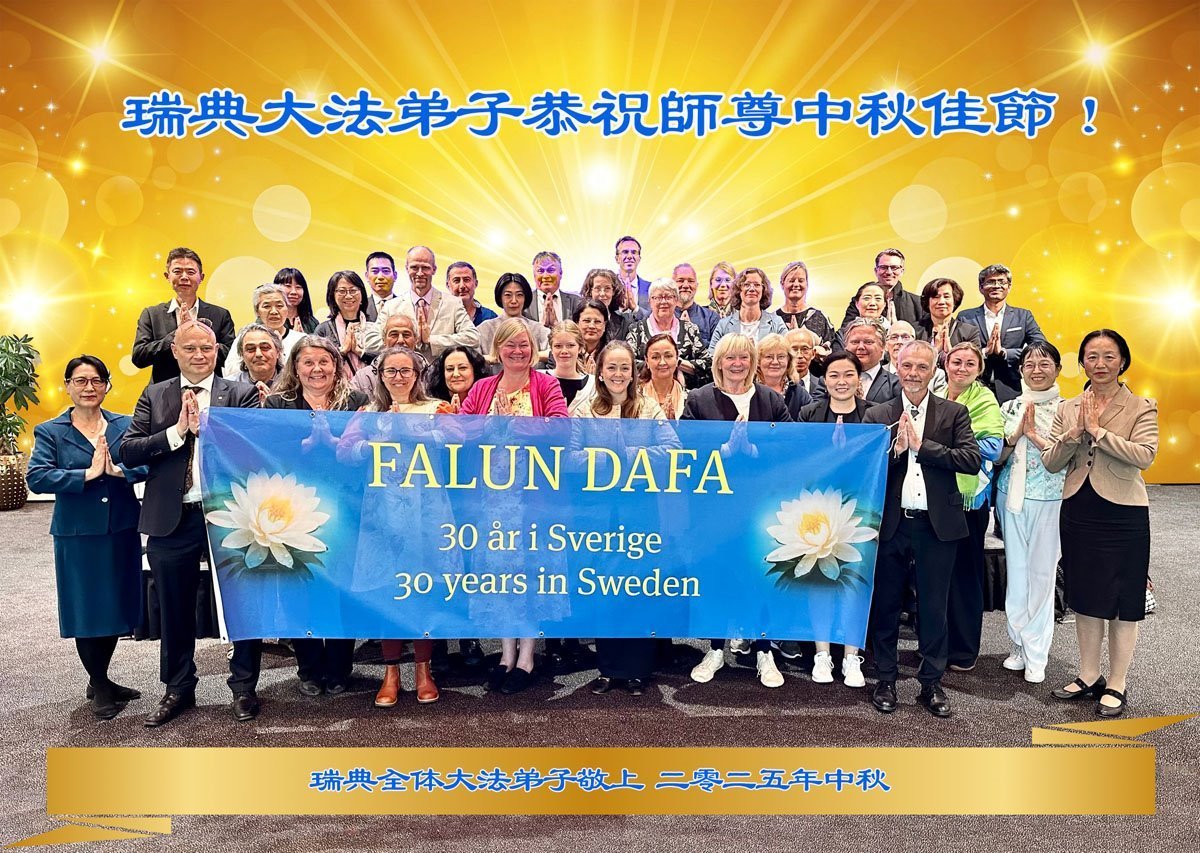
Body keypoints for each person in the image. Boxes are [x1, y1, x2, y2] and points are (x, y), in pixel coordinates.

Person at [120, 320, 264, 726]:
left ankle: (244, 687)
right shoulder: (155, 394)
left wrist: (210, 433)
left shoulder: (241, 394)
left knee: (240, 604)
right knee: (174, 607)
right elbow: (129, 450)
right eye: (190, 348)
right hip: (172, 516)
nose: (199, 355)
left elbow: (254, 451)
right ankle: (178, 688)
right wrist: (178, 432)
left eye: (207, 348)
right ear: (174, 352)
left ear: (217, 350)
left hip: (230, 516)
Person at [863, 340, 981, 718]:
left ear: (934, 371)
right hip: (890, 525)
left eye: (922, 367)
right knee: (885, 604)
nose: (913, 373)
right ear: (896, 367)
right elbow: (864, 468)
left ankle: (931, 682)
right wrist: (896, 452)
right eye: (907, 366)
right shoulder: (876, 413)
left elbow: (971, 460)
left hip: (937, 526)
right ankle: (885, 678)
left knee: (933, 607)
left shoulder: (954, 412)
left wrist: (922, 445)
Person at [1043, 330, 1157, 717]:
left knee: (1124, 602)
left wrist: (1098, 432)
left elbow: (1144, 455)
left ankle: (1117, 682)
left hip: (1124, 513)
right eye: (1092, 356)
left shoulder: (1141, 406)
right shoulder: (1069, 406)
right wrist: (1075, 433)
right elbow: (1051, 462)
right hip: (1079, 508)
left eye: (1109, 356)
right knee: (1086, 596)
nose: (1100, 364)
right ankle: (1089, 674)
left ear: (1123, 361)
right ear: (1082, 363)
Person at [28, 356, 147, 720]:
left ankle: (101, 678)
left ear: (107, 385)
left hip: (121, 528)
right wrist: (86, 475)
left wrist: (119, 471)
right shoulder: (51, 431)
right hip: (78, 534)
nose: (89, 388)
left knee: (116, 605)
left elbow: (147, 463)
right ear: (67, 386)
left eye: (96, 380)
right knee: (86, 609)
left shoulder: (125, 424)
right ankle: (99, 683)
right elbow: (38, 477)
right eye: (80, 381)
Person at [459, 319, 570, 693]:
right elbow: (462, 430)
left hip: (533, 499)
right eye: (510, 344)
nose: (517, 351)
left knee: (531, 576)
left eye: (524, 344)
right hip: (492, 501)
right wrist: (487, 425)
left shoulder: (546, 385)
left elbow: (561, 429)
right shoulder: (482, 388)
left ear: (533, 349)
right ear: (498, 349)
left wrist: (517, 424)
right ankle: (506, 654)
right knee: (501, 578)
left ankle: (527, 657)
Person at [682, 333, 791, 689]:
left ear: (752, 361)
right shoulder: (699, 400)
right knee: (718, 574)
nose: (737, 363)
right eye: (730, 357)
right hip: (714, 509)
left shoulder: (771, 400)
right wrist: (728, 450)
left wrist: (753, 451)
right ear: (718, 362)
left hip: (761, 507)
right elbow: (686, 451)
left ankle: (764, 651)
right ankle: (715, 648)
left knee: (760, 575)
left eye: (744, 357)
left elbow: (791, 448)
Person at [264, 337, 369, 696]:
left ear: (337, 366)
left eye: (324, 361)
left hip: (345, 509)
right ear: (295, 367)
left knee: (342, 589)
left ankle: (339, 668)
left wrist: (336, 446)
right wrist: (305, 445)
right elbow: (265, 453)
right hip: (293, 511)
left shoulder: (356, 402)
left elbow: (366, 454)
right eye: (308, 362)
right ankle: (309, 668)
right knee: (300, 589)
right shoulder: (278, 404)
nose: (317, 369)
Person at [353, 346, 452, 707]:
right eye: (390, 371)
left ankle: (424, 670)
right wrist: (373, 445)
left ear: (417, 374)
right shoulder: (368, 413)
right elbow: (345, 451)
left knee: (423, 589)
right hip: (382, 514)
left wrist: (409, 432)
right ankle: (391, 672)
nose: (398, 377)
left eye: (405, 370)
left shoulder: (437, 409)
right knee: (388, 591)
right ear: (380, 376)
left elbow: (458, 442)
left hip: (428, 511)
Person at [572, 341, 666, 696]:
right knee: (604, 587)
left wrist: (629, 454)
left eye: (624, 367)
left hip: (640, 510)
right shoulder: (584, 409)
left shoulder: (648, 407)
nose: (618, 374)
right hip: (598, 512)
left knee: (638, 586)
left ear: (633, 372)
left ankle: (639, 670)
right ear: (600, 371)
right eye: (611, 367)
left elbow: (672, 450)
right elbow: (568, 458)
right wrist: (608, 458)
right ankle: (609, 669)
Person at [795, 350, 872, 686]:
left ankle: (852, 656)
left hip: (862, 509)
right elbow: (798, 463)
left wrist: (849, 456)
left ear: (859, 379)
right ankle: (822, 653)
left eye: (848, 375)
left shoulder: (874, 414)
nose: (841, 382)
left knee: (855, 581)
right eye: (834, 375)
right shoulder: (810, 414)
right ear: (824, 380)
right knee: (821, 584)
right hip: (818, 511)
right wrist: (832, 455)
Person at [995, 342, 1066, 684]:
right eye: (1030, 364)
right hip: (1011, 497)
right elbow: (997, 457)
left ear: (1058, 369)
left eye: (1044, 363)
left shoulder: (1068, 409)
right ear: (1021, 370)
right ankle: (1018, 644)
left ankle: (1037, 653)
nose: (1036, 370)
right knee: (1018, 573)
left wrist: (1033, 436)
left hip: (1050, 499)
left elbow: (1066, 456)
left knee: (1041, 576)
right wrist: (1013, 438)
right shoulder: (1009, 406)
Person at [941, 342, 1005, 673]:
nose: (962, 368)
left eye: (970, 363)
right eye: (956, 362)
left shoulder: (984, 399)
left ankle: (964, 650)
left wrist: (943, 443)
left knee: (965, 575)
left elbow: (993, 447)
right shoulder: (936, 393)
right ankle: (938, 643)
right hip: (937, 495)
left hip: (969, 498)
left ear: (979, 369)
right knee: (939, 575)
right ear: (946, 364)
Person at [132, 247, 236, 384]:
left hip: (210, 390)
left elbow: (231, 356)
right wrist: (177, 334)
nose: (184, 277)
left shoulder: (220, 314)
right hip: (164, 390)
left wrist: (201, 339)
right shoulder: (152, 314)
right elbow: (139, 357)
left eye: (190, 272)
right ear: (167, 276)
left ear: (201, 277)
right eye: (177, 271)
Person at [365, 246, 481, 358]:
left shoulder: (452, 303)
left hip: (441, 371)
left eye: (425, 268)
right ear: (407, 268)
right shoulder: (392, 306)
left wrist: (432, 340)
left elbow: (473, 338)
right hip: (404, 370)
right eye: (414, 267)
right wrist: (407, 343)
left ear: (434, 269)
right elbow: (370, 342)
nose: (420, 273)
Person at [957, 264, 1047, 404]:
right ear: (981, 287)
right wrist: (984, 352)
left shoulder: (1023, 316)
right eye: (991, 282)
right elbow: (957, 352)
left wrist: (1005, 352)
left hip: (1010, 388)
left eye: (1001, 282)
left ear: (1009, 287)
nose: (996, 286)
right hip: (973, 387)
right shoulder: (965, 317)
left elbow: (1041, 347)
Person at [625, 279, 712, 389]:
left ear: (676, 300)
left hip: (686, 393)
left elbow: (707, 364)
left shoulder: (690, 329)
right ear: (650, 301)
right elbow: (628, 362)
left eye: (668, 297)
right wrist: (662, 365)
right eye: (658, 297)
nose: (663, 302)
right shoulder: (636, 330)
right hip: (645, 393)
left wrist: (678, 363)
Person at [222, 284, 302, 377]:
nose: (274, 311)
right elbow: (230, 372)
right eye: (267, 306)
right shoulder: (245, 339)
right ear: (257, 311)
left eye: (279, 306)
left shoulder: (300, 339)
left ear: (287, 309)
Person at [478, 273, 550, 367]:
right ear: (500, 297)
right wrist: (492, 358)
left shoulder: (538, 329)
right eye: (508, 295)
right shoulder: (485, 328)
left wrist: (531, 355)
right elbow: (470, 357)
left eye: (519, 295)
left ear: (525, 297)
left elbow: (554, 352)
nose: (514, 301)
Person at [839, 248, 924, 328]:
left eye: (894, 268)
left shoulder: (917, 303)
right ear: (876, 271)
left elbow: (925, 334)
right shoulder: (861, 301)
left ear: (902, 271)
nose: (889, 272)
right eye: (884, 267)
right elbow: (845, 331)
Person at [708, 267, 787, 354]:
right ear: (738, 290)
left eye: (757, 285)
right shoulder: (723, 325)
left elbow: (787, 354)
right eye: (746, 285)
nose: (752, 289)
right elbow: (712, 356)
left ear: (764, 290)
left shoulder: (776, 323)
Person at [823, 318, 900, 405]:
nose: (861, 347)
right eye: (855, 342)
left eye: (868, 342)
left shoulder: (896, 385)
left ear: (883, 346)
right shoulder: (829, 380)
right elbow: (817, 409)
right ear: (845, 346)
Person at [314, 270, 370, 380]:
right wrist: (342, 351)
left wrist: (361, 353)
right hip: (335, 387)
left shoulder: (374, 326)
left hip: (370, 387)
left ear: (362, 294)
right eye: (342, 291)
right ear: (332, 296)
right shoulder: (323, 330)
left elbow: (382, 361)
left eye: (353, 290)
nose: (348, 296)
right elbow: (317, 362)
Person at [916, 277, 985, 362]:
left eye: (946, 296)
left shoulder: (969, 332)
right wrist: (936, 350)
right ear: (927, 302)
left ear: (955, 301)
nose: (941, 302)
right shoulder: (915, 330)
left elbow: (974, 363)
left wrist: (950, 351)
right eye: (936, 297)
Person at [775, 261, 839, 351]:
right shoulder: (773, 319)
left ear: (807, 284)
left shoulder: (819, 318)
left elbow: (831, 350)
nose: (796, 284)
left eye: (801, 280)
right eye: (791, 280)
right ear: (782, 284)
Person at [349, 313, 420, 396]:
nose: (400, 340)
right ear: (384, 340)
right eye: (394, 335)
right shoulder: (364, 378)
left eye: (406, 335)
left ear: (416, 340)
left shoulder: (428, 374)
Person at [756, 333, 811, 420]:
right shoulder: (748, 390)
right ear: (758, 361)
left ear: (789, 361)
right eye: (769, 357)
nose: (775, 362)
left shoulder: (800, 394)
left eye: (781, 357)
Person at [524, 251, 582, 333]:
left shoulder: (576, 302)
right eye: (540, 271)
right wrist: (541, 327)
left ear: (561, 273)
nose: (545, 276)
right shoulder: (524, 302)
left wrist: (556, 325)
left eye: (551, 270)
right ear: (534, 275)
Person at [543, 321, 594, 407]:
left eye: (570, 345)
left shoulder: (592, 385)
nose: (564, 351)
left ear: (580, 348)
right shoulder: (539, 378)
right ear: (551, 349)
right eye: (558, 346)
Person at [228, 324, 285, 402]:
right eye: (250, 349)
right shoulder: (229, 387)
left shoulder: (293, 384)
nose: (258, 354)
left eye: (265, 347)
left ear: (278, 352)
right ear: (241, 354)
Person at [638, 333, 687, 420]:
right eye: (655, 357)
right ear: (647, 361)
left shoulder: (689, 399)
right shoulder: (635, 397)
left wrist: (673, 424)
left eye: (668, 356)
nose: (662, 362)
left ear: (677, 359)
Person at [427, 344, 487, 414]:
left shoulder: (488, 402)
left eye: (462, 368)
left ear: (475, 371)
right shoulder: (432, 406)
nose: (456, 374)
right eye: (450, 369)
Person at [582, 267, 635, 341]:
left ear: (613, 291)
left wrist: (635, 308)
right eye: (597, 288)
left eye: (607, 288)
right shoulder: (579, 319)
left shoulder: (624, 322)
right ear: (590, 291)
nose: (602, 294)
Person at [673, 263, 720, 346]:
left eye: (691, 281)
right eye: (680, 281)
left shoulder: (711, 318)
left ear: (697, 285)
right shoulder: (660, 316)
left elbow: (717, 349)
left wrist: (693, 333)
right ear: (672, 285)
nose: (686, 285)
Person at [446, 261, 497, 326]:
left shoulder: (490, 318)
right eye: (456, 280)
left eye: (466, 280)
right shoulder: (439, 318)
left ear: (476, 283)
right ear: (448, 285)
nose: (462, 286)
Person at [572, 299, 613, 374]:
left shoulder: (612, 354)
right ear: (577, 323)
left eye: (597, 322)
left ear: (604, 325)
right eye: (587, 321)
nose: (592, 326)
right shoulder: (566, 352)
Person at [275, 267, 320, 333]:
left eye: (298, 287)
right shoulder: (269, 320)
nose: (294, 292)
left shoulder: (312, 323)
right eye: (288, 286)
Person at [615, 235, 652, 312]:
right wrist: (620, 310)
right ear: (617, 259)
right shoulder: (607, 287)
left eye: (634, 252)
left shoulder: (651, 289)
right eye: (625, 252)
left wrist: (636, 309)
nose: (629, 256)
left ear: (639, 259)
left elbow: (655, 316)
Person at [363, 251, 400, 322]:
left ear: (395, 276)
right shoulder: (359, 307)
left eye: (385, 271)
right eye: (375, 271)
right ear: (367, 276)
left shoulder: (405, 306)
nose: (380, 277)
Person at [786, 327, 821, 395]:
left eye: (805, 349)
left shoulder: (823, 386)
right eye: (794, 350)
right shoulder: (777, 385)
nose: (799, 355)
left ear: (813, 353)